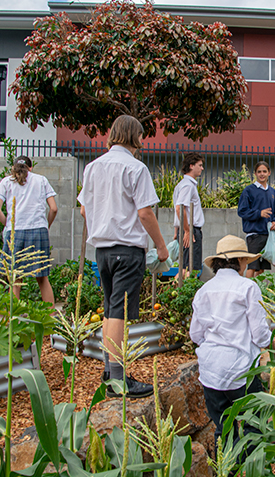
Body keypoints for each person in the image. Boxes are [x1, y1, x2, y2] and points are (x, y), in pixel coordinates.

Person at [77, 115, 169, 399]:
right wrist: (161, 247)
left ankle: (109, 371)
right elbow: (144, 212)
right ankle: (119, 381)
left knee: (108, 311)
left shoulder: (92, 167)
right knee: (119, 312)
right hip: (127, 251)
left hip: (102, 251)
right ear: (133, 136)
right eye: (141, 135)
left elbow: (83, 211)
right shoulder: (136, 168)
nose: (143, 140)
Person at [189, 235, 271, 457]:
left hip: (211, 372)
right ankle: (251, 468)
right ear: (241, 262)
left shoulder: (203, 291)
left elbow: (195, 334)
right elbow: (261, 336)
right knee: (255, 426)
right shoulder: (248, 287)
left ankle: (226, 469)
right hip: (242, 370)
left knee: (223, 428)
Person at [0, 156, 58, 303]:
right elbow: (53, 208)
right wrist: (46, 225)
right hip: (38, 230)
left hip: (15, 231)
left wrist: (8, 224)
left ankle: (13, 316)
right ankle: (51, 316)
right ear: (30, 167)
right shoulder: (41, 180)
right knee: (42, 277)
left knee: (15, 278)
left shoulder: (6, 182)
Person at [237, 161, 275, 278]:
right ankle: (246, 292)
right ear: (255, 174)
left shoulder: (272, 192)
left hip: (268, 236)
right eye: (259, 172)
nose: (262, 174)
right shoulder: (249, 191)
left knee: (261, 269)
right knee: (252, 266)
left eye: (264, 171)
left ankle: (255, 290)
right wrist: (259, 213)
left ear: (269, 173)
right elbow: (242, 211)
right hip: (254, 235)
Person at [173, 152, 205, 278]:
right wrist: (187, 230)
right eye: (200, 165)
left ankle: (177, 293)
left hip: (186, 229)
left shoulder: (182, 184)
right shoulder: (188, 185)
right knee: (190, 269)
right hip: (191, 231)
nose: (202, 168)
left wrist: (177, 230)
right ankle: (179, 295)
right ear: (191, 166)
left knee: (186, 267)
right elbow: (180, 208)